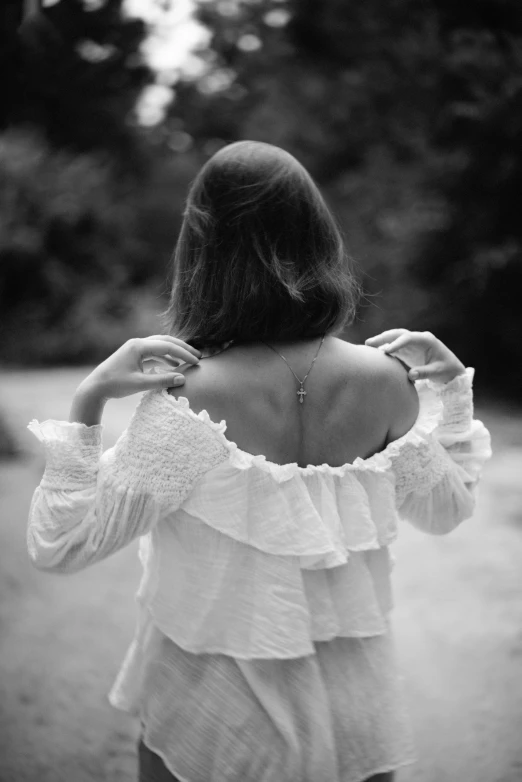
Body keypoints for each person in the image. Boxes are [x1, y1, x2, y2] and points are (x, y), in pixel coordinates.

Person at [27, 141, 492, 782]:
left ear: (201, 249)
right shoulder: (388, 380)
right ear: (319, 239)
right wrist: (453, 391)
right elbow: (447, 512)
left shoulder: (189, 399)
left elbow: (60, 544)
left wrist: (91, 397)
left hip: (208, 712)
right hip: (353, 717)